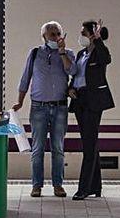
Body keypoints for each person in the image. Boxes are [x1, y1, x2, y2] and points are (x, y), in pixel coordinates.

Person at [13, 21, 75, 198]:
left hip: (60, 107)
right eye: (51, 34)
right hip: (38, 107)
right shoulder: (35, 54)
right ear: (44, 37)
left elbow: (73, 71)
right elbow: (25, 78)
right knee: (38, 147)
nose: (55, 37)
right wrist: (20, 101)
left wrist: (62, 52)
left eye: (57, 33)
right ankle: (36, 185)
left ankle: (58, 185)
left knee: (58, 147)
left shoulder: (68, 54)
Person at [68, 19, 114, 201]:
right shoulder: (81, 54)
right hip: (79, 99)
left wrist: (98, 41)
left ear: (93, 35)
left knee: (88, 144)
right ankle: (96, 186)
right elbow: (77, 75)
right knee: (90, 142)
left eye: (83, 33)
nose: (81, 36)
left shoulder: (100, 53)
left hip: (94, 100)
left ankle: (83, 188)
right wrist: (70, 89)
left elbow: (106, 59)